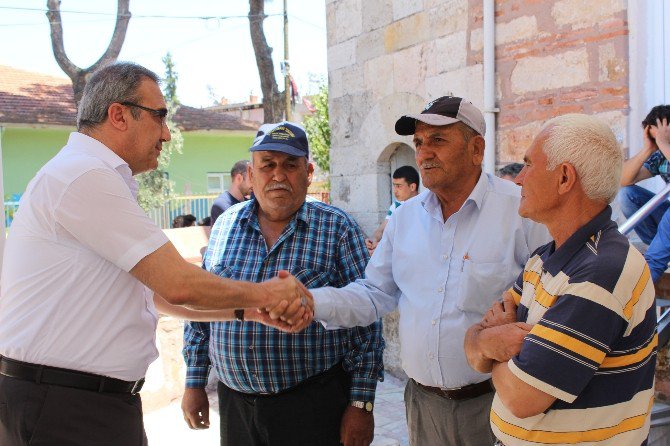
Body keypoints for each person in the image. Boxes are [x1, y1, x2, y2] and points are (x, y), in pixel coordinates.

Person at [0, 63, 309, 446]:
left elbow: (156, 296)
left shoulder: (91, 176)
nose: (165, 133)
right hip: (65, 405)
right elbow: (178, 284)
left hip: (81, 401)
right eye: (159, 117)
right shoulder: (85, 175)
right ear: (118, 115)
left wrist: (248, 311)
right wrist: (270, 294)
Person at [298, 96, 549, 446]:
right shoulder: (404, 217)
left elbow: (554, 302)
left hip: (496, 404)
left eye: (438, 140)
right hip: (422, 406)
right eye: (418, 142)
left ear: (476, 148)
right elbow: (374, 294)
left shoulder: (520, 211)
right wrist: (309, 302)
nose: (423, 153)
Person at [181, 122, 384, 446]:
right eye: (268, 165)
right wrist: (194, 381)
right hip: (236, 409)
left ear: (309, 172)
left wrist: (361, 403)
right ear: (251, 173)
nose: (278, 175)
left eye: (291, 165)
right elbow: (202, 308)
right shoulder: (223, 228)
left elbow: (367, 321)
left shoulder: (337, 228)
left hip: (312, 407)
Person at [464, 114, 657, 445]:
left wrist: (491, 346)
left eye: (528, 165)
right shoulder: (543, 258)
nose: (519, 179)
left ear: (565, 177)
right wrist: (487, 342)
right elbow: (476, 345)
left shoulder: (601, 271)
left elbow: (520, 398)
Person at [618, 105, 670, 282]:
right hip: (667, 226)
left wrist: (664, 143)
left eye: (660, 136)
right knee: (626, 194)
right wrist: (648, 149)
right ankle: (660, 246)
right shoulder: (661, 153)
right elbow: (624, 180)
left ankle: (638, 290)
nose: (659, 142)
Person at [365, 165, 420, 254]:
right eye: (394, 186)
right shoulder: (396, 205)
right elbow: (382, 229)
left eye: (399, 186)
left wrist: (383, 247)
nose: (395, 191)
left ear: (412, 187)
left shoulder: (424, 206)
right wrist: (373, 239)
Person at [210, 159, 252, 225]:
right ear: (239, 178)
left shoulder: (249, 203)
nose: (255, 184)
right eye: (251, 179)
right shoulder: (222, 205)